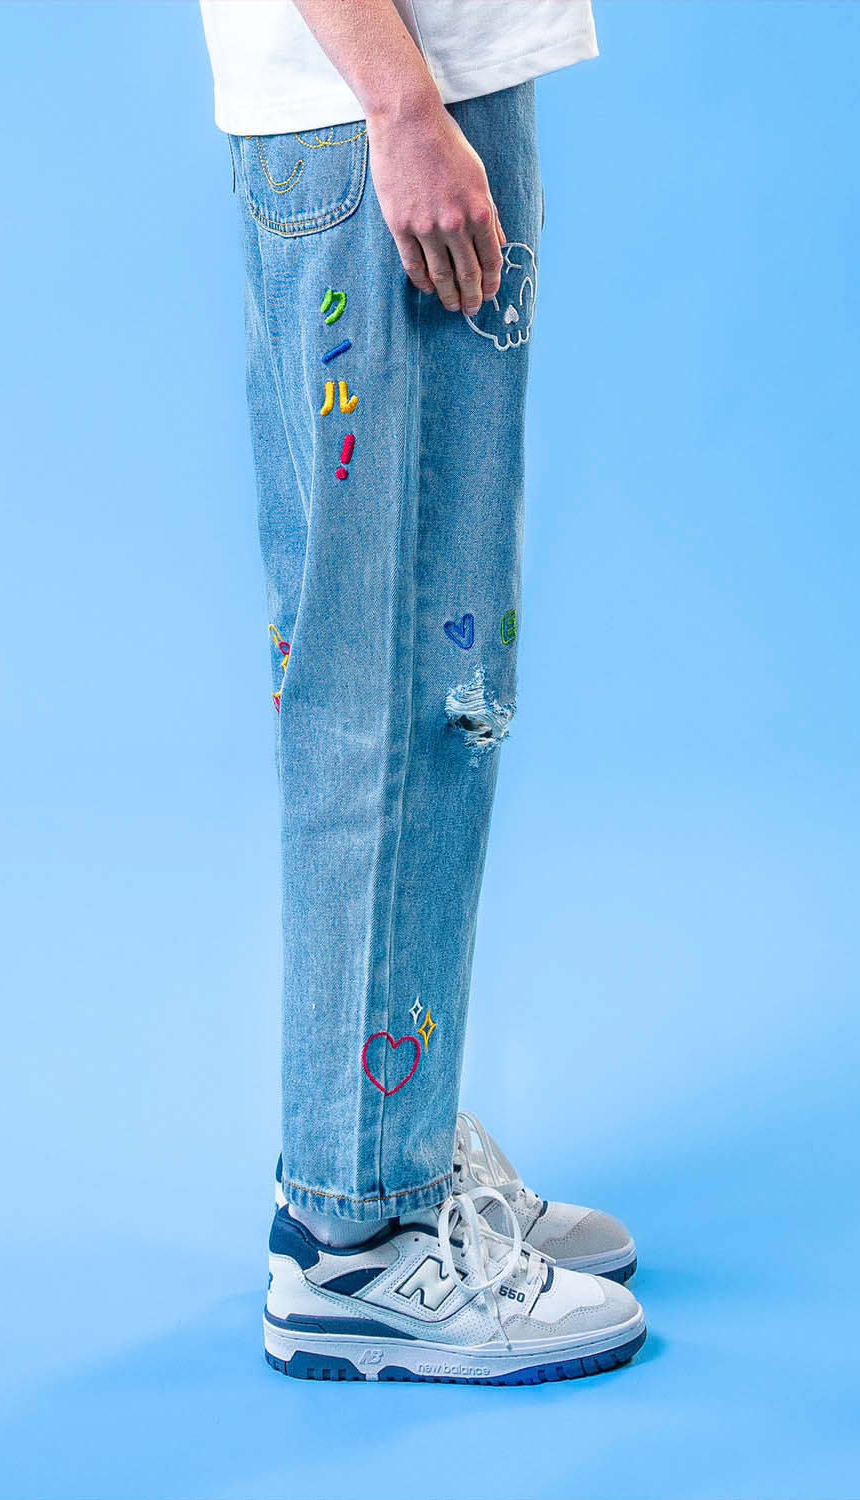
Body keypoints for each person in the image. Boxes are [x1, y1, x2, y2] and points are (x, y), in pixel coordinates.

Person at [201, 0, 646, 1384]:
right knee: (374, 685)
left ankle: (394, 1143)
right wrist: (399, 105)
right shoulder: (388, 108)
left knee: (442, 685)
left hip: (433, 90)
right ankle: (352, 1236)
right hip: (373, 108)